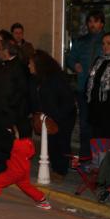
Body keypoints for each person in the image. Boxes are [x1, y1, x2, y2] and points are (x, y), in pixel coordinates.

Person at [28, 50, 76, 181]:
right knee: (51, 143)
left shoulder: (56, 79)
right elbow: (34, 98)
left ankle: (61, 171)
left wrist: (56, 117)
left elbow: (67, 101)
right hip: (47, 116)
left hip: (62, 116)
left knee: (61, 142)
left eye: (31, 64)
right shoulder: (35, 79)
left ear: (39, 65)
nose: (29, 66)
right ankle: (55, 168)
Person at [0, 124, 52, 210]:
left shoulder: (16, 144)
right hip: (24, 171)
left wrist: (7, 134)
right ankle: (43, 201)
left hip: (14, 171)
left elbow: (4, 146)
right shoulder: (29, 142)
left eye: (16, 132)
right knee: (27, 186)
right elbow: (31, 154)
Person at [0, 38, 30, 176]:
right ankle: (0, 165)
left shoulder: (19, 66)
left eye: (0, 50)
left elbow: (22, 90)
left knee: (8, 140)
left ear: (6, 51)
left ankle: (12, 166)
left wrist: (11, 105)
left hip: (9, 110)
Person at [66, 10, 105, 157]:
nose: (92, 24)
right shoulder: (81, 41)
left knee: (99, 126)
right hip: (83, 88)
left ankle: (99, 158)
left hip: (101, 91)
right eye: (90, 22)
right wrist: (75, 64)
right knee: (84, 125)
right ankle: (85, 156)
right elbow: (70, 58)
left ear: (102, 23)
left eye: (95, 21)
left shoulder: (107, 40)